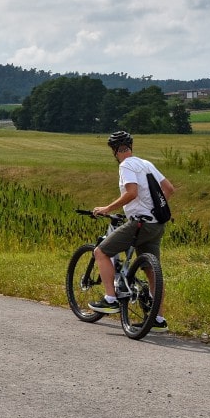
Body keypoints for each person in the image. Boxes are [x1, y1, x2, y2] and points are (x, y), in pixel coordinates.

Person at [88, 130, 176, 332]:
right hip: (157, 224)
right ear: (131, 146)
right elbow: (169, 189)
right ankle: (158, 319)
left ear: (114, 150)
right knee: (152, 271)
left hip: (139, 224)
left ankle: (110, 299)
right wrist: (153, 209)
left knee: (101, 252)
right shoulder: (146, 164)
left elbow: (132, 192)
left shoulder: (126, 164)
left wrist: (107, 209)